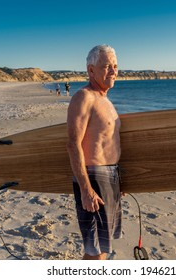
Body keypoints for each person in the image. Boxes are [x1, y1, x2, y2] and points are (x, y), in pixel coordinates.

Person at [67, 45, 121, 260]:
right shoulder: (84, 97)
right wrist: (86, 189)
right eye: (107, 66)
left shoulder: (105, 100)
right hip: (94, 179)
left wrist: (119, 181)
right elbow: (73, 144)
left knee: (104, 247)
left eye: (115, 66)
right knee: (95, 252)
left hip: (110, 178)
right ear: (91, 70)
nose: (113, 71)